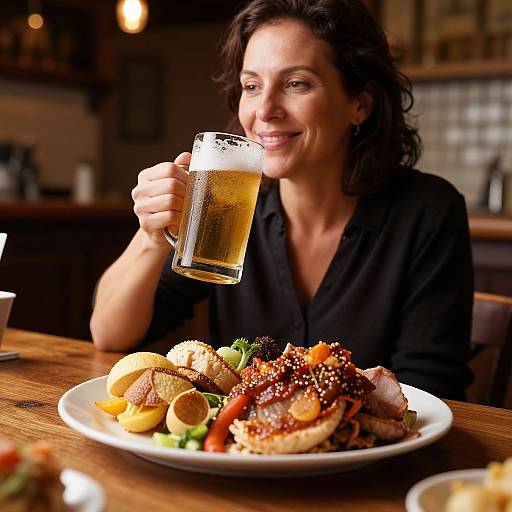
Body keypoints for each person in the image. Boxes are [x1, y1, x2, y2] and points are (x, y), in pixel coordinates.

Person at [90, 0, 474, 400]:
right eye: (252, 86)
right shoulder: (228, 207)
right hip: (241, 455)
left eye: (296, 83)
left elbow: (430, 392)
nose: (265, 110)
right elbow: (109, 333)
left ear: (359, 103)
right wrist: (152, 238)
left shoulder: (428, 211)